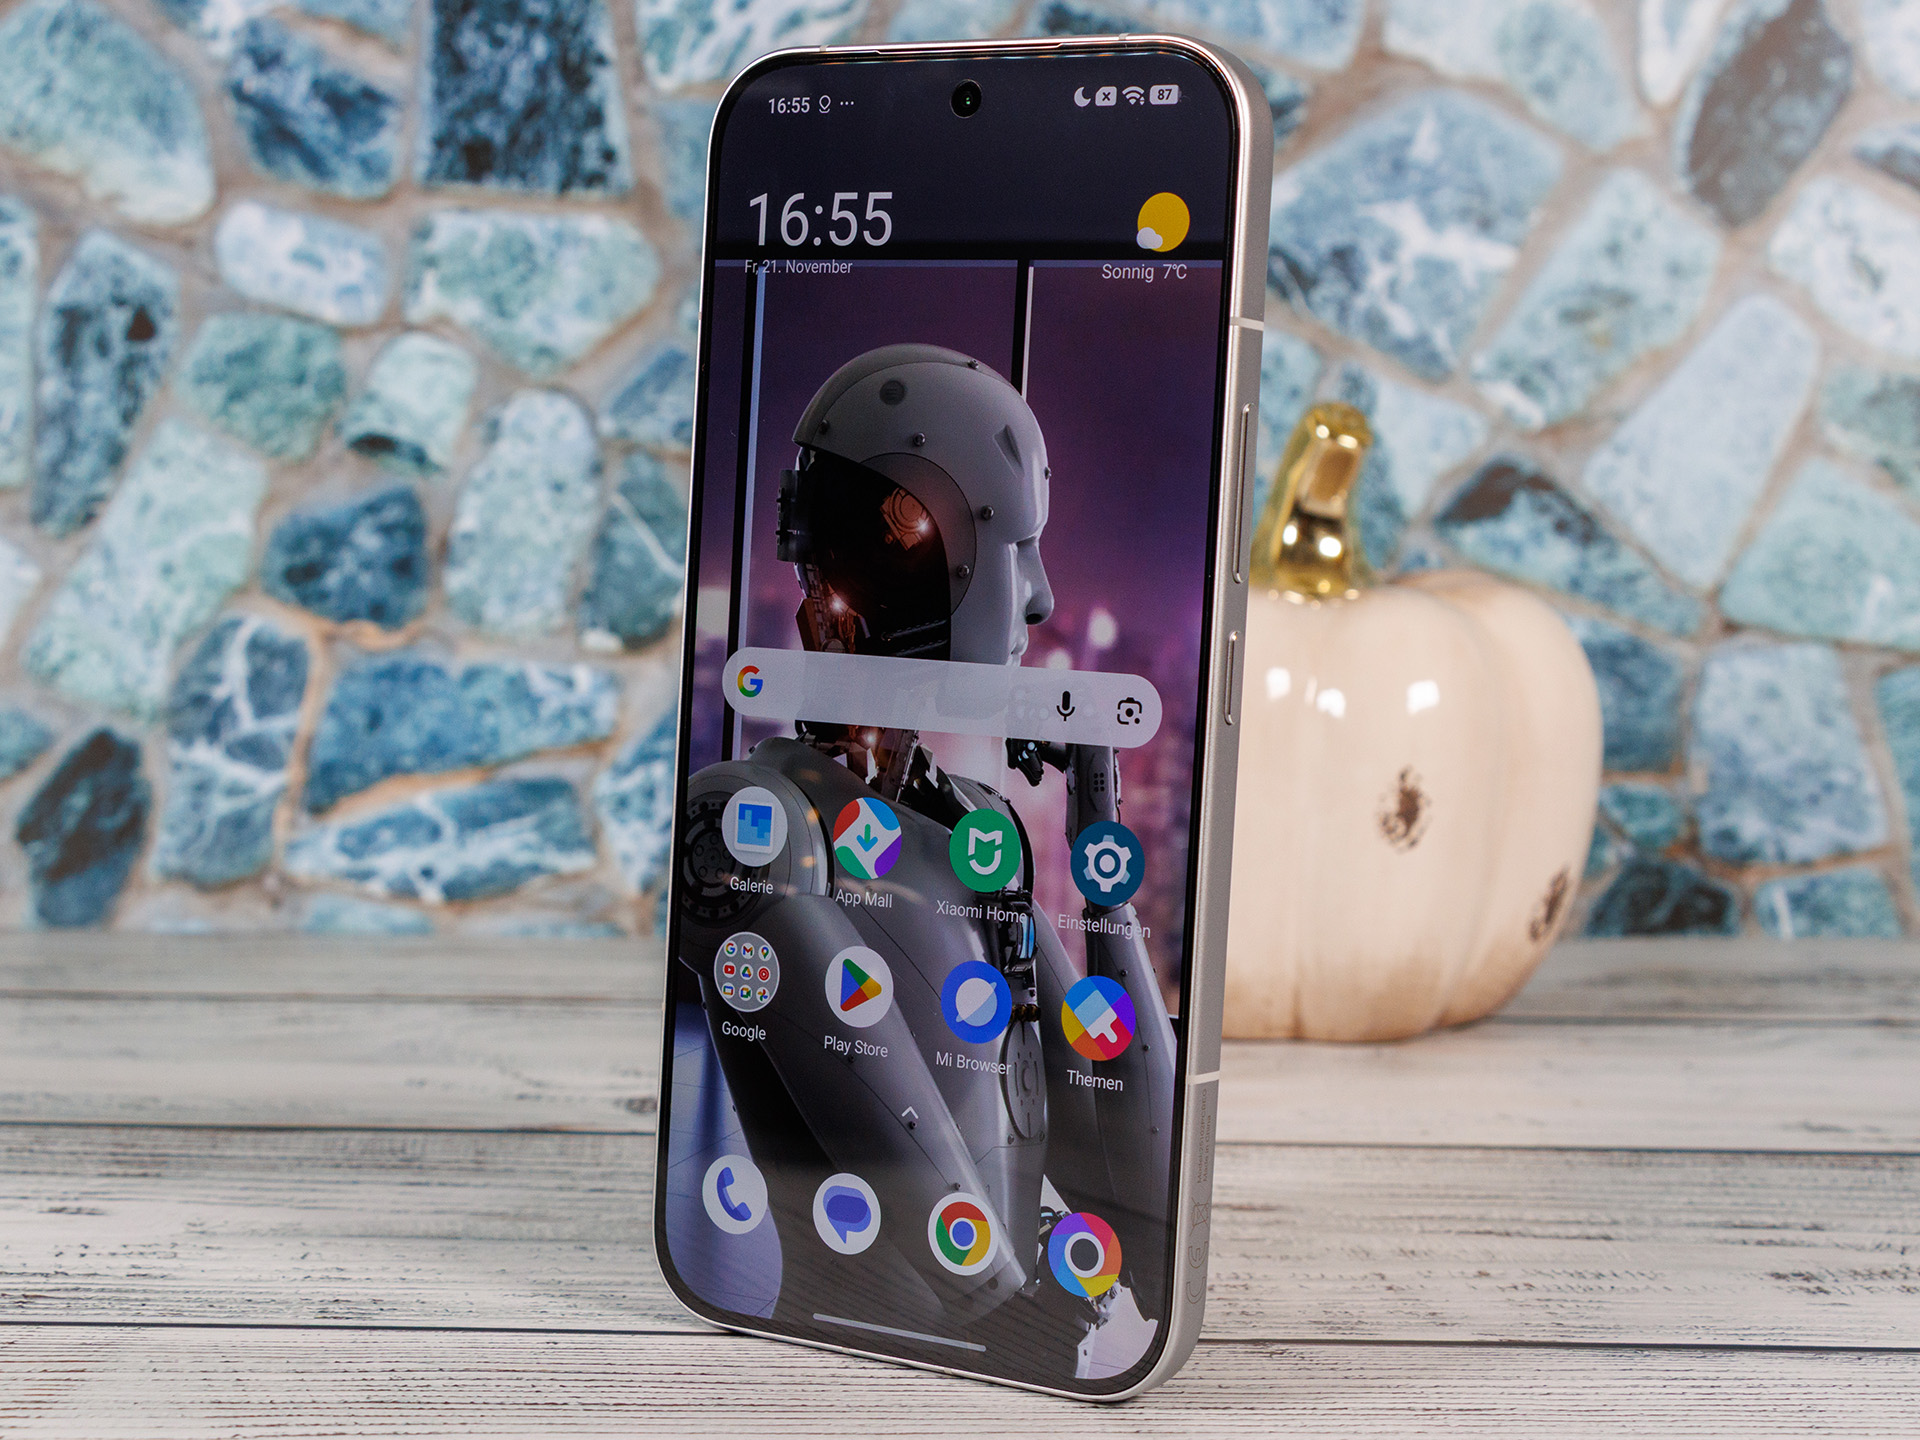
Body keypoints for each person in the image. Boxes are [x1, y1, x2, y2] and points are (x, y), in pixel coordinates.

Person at [677, 345, 1175, 1372]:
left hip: (1019, 1364)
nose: (1039, 600)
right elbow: (916, 1178)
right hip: (850, 1370)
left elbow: (1142, 1175)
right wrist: (1027, 1322)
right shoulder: (750, 826)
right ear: (915, 531)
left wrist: (1098, 832)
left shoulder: (978, 827)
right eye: (1014, 547)